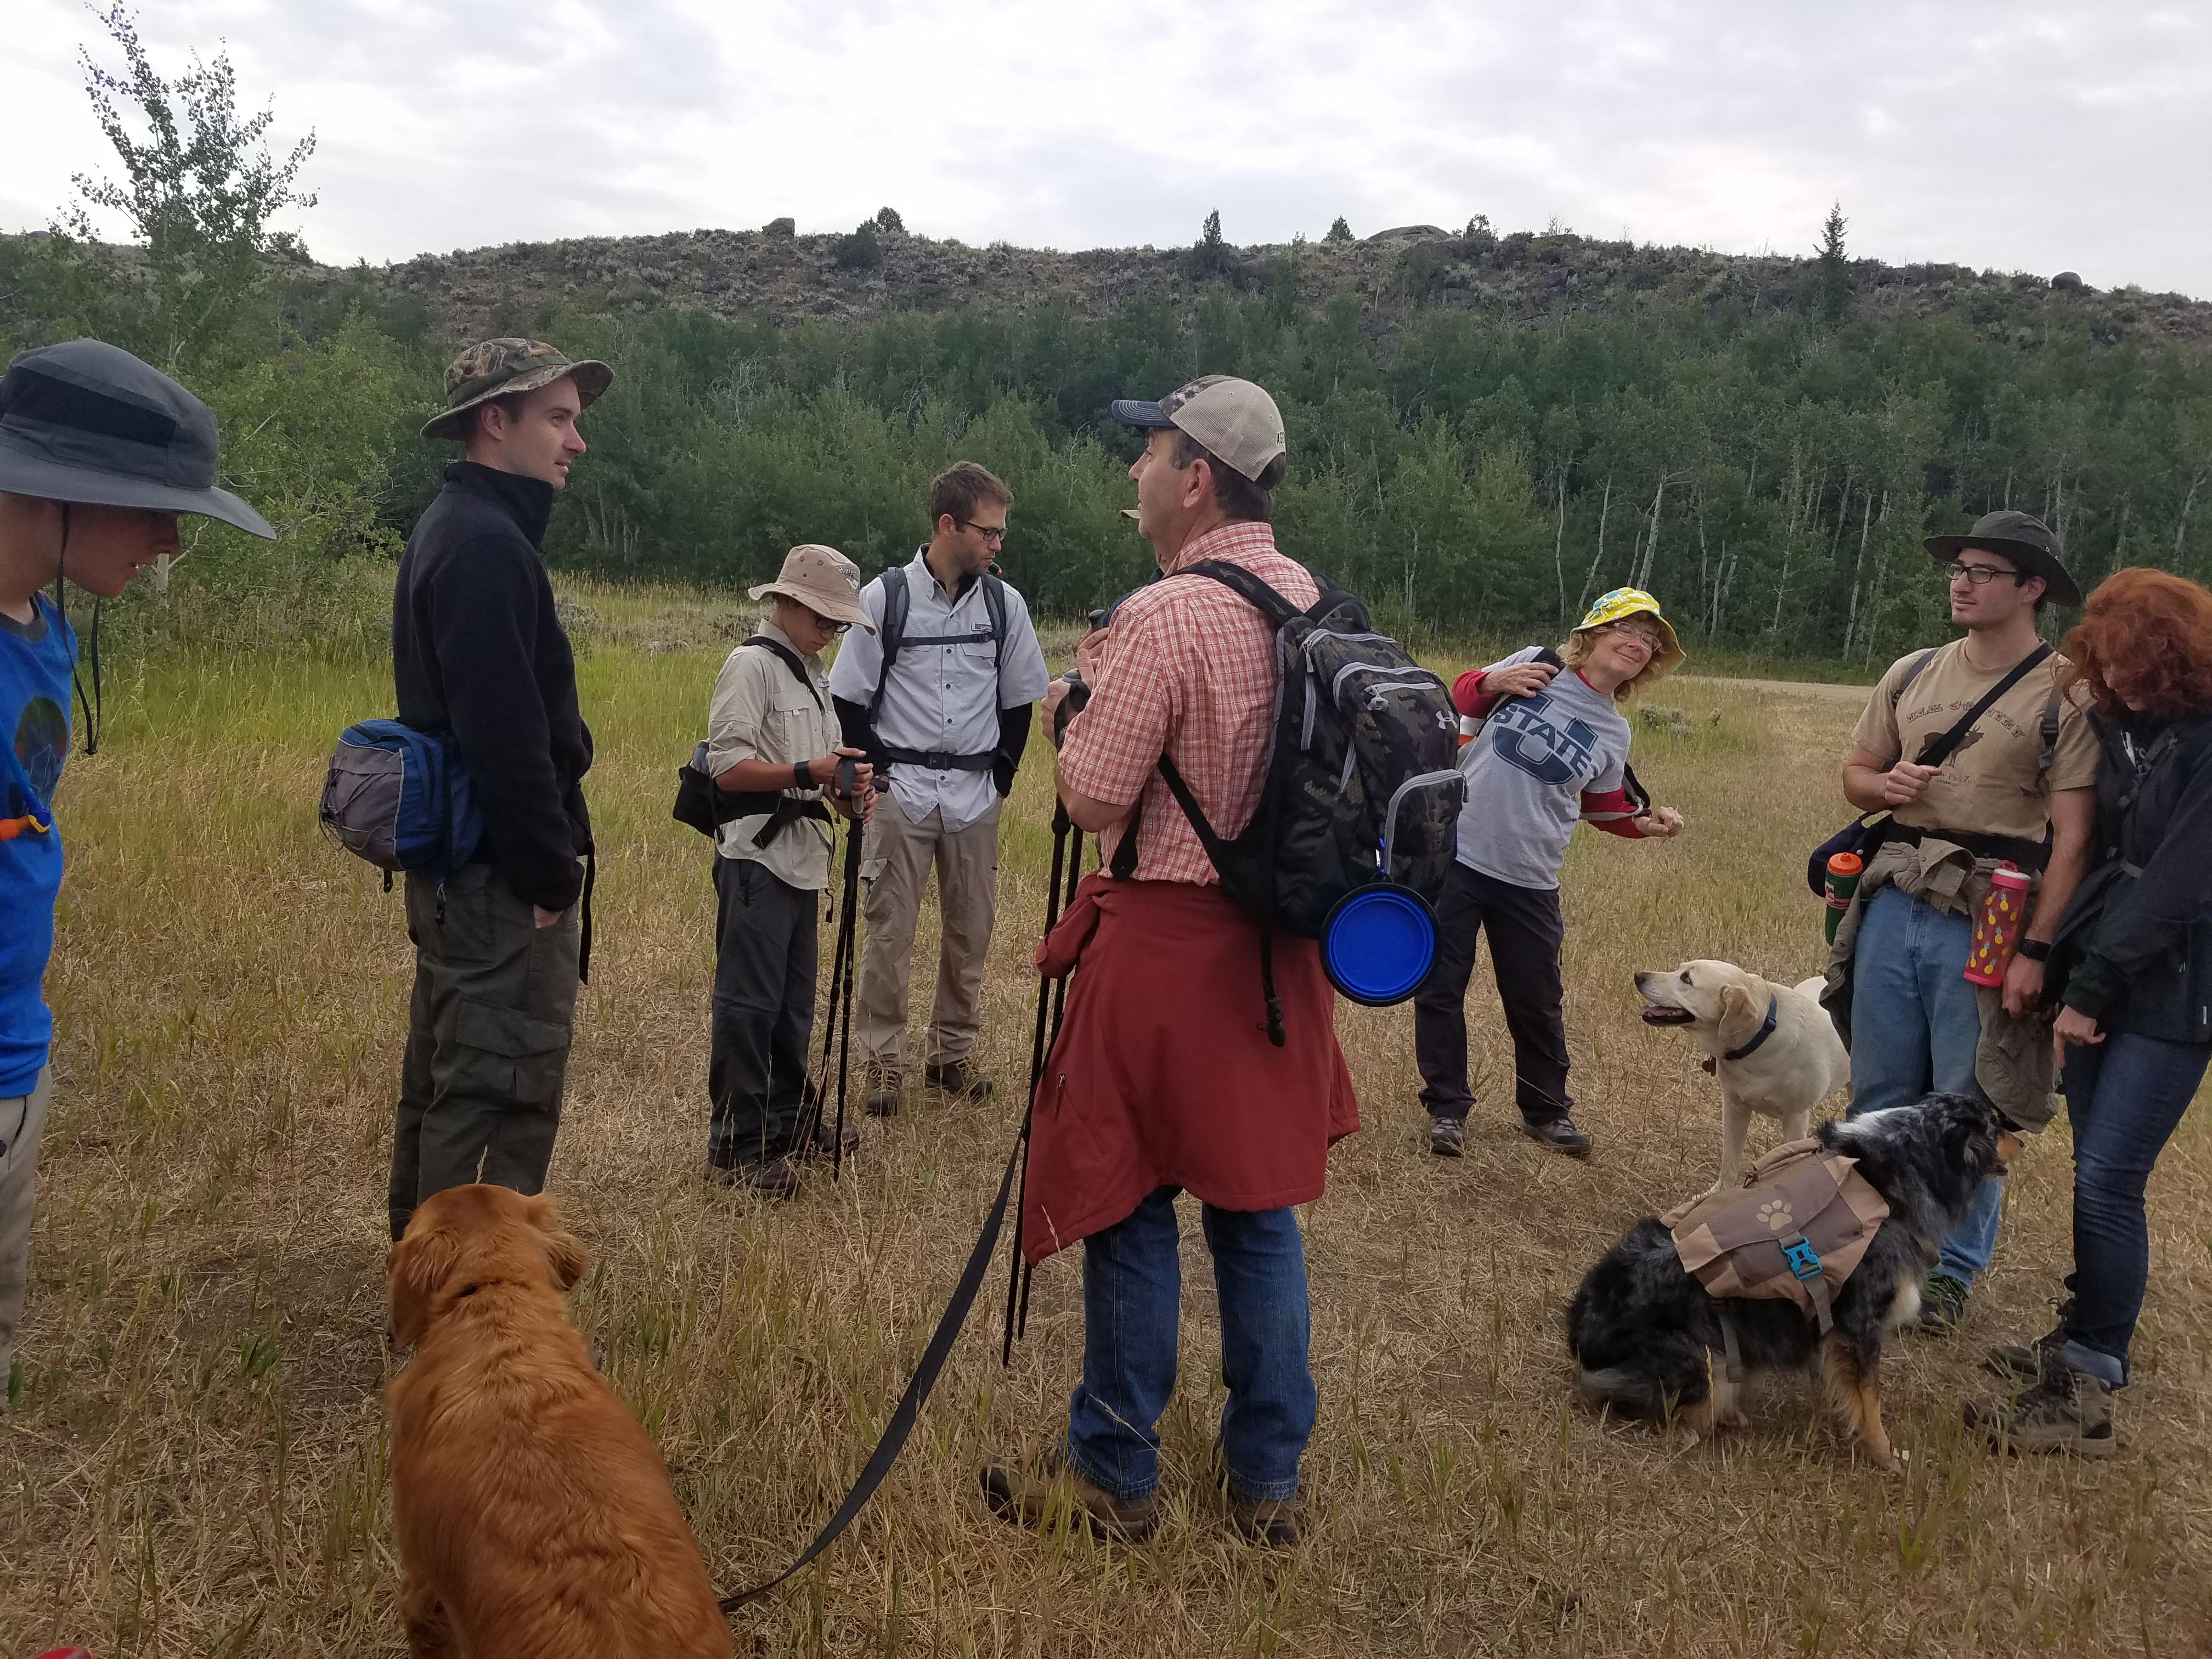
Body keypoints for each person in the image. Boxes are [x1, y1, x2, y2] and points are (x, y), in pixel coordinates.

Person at [981, 375, 1358, 1549]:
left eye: (1147, 454)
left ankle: (1114, 1470)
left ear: (1195, 478)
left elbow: (1094, 792)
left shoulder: (1165, 615)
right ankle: (1267, 1481)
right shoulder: (1317, 599)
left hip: (1165, 948)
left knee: (1132, 1200)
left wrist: (1069, 714)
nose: (1132, 474)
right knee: (1256, 1213)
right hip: (1277, 956)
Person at [0, 338, 273, 1390]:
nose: (171, 541)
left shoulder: (48, 631)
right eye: (154, 506)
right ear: (60, 487)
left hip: (18, 1054)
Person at [1828, 510, 2097, 1331]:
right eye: (1960, 568)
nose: (1963, 581)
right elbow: (1856, 774)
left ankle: (1949, 1274)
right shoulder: (1912, 672)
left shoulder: (2066, 692)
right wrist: (1885, 789)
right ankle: (1858, 1245)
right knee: (1878, 1088)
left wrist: (2038, 950)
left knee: (1970, 1102)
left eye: (1984, 571)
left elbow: (2076, 838)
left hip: (1990, 913)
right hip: (1895, 893)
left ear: (2032, 589)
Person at [1967, 568, 2212, 1455]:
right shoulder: (2129, 732)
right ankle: (2074, 1338)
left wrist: (2090, 992)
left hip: (2176, 989)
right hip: (2105, 973)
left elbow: (2180, 885)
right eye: (2102, 665)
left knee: (2112, 1177)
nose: (2114, 681)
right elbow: (2097, 852)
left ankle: (2088, 1385)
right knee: (2093, 1170)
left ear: (2173, 653)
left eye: (2130, 663)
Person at [387, 338, 611, 1243]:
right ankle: (470, 1317)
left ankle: (426, 1296)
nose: (575, 442)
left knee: (448, 1083)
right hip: (500, 883)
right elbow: (505, 740)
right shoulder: (483, 546)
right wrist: (550, 879)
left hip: (469, 874)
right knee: (496, 1098)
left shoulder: (466, 527)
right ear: (495, 421)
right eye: (557, 418)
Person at [1414, 589, 1687, 1160]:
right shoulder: (1538, 664)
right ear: (1593, 633)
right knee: (1441, 987)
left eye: (1650, 641)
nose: (1638, 645)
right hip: (1459, 857)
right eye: (1629, 630)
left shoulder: (1614, 732)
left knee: (1536, 1000)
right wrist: (1494, 684)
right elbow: (1460, 692)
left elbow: (1603, 806)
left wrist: (1646, 825)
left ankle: (1546, 1112)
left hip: (1532, 878)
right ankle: (1447, 1111)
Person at [828, 462, 1049, 1113]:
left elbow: (1019, 704)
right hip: (903, 793)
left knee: (971, 933)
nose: (997, 544)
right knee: (889, 931)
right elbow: (850, 698)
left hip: (976, 797)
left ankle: (951, 1059)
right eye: (989, 531)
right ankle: (881, 1068)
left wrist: (1001, 780)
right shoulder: (883, 599)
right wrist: (880, 779)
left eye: (1001, 533)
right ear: (947, 525)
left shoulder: (1006, 607)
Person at [703, 544, 877, 1197]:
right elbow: (727, 768)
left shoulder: (811, 672)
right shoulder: (750, 666)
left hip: (803, 859)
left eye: (839, 623)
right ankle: (737, 1144)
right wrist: (812, 774)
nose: (834, 633)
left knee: (791, 1003)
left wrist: (844, 788)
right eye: (827, 619)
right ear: (791, 602)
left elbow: (811, 769)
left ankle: (784, 1121)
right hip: (757, 859)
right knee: (749, 1006)